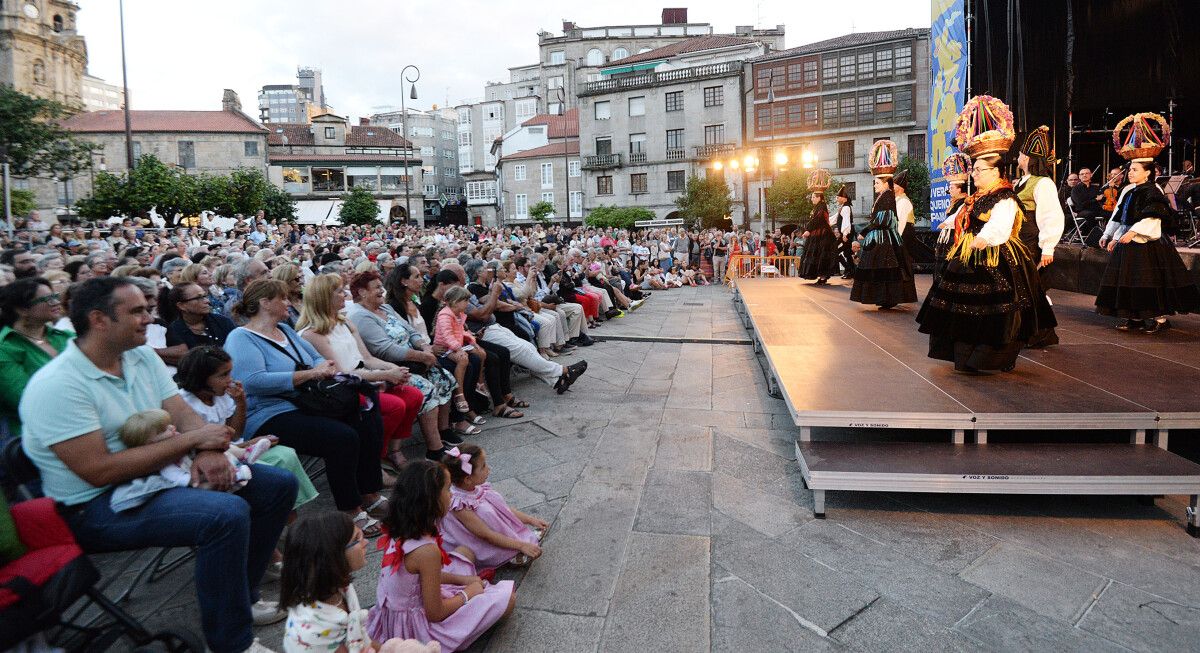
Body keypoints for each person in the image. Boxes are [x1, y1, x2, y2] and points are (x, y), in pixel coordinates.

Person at [19, 276, 297, 651]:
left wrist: (210, 451)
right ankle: (232, 642)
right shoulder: (58, 385)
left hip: (160, 473)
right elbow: (100, 470)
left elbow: (183, 416)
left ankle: (239, 597)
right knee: (224, 515)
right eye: (137, 311)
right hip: (96, 504)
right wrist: (195, 442)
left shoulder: (139, 356)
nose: (149, 319)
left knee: (276, 486)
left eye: (148, 309)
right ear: (99, 319)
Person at [225, 278, 388, 538]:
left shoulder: (286, 330)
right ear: (265, 303)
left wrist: (320, 367)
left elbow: (313, 357)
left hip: (307, 401)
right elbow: (253, 381)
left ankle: (369, 490)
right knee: (341, 437)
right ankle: (350, 508)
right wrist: (308, 375)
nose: (288, 303)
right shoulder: (241, 338)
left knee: (365, 411)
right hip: (271, 412)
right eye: (283, 298)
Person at [917, 95, 1054, 373]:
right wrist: (950, 222)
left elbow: (1002, 224)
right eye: (975, 170)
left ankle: (990, 356)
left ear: (995, 171)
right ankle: (964, 355)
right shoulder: (979, 196)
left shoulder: (1004, 196)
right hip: (971, 251)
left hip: (996, 255)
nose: (975, 175)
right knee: (965, 306)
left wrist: (986, 238)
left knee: (995, 306)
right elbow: (965, 211)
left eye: (979, 170)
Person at [297, 273, 442, 470]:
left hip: (363, 377)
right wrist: (384, 375)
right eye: (339, 291)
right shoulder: (312, 333)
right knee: (395, 406)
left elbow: (366, 358)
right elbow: (341, 373)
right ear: (325, 297)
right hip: (342, 389)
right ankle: (374, 459)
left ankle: (394, 450)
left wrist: (393, 369)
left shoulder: (345, 322)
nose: (345, 294)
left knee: (413, 396)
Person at [367, 460, 516, 651]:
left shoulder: (401, 526)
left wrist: (463, 579)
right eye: (447, 489)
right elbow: (435, 614)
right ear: (431, 499)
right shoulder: (426, 551)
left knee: (464, 552)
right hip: (414, 629)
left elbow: (418, 578)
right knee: (507, 600)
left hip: (395, 614)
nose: (451, 494)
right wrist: (468, 593)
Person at [175, 345, 318, 511]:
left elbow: (235, 434)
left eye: (230, 372)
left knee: (286, 454)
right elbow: (209, 448)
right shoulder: (186, 405)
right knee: (275, 468)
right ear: (201, 378)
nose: (230, 379)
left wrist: (240, 402)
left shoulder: (220, 396)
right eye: (223, 375)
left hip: (232, 448)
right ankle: (279, 512)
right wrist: (250, 443)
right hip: (209, 460)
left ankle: (289, 513)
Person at [1097, 113, 1200, 332]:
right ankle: (1135, 317)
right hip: (1129, 240)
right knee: (1130, 281)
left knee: (1150, 280)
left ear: (1147, 172)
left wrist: (1134, 233)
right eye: (1130, 169)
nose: (1130, 173)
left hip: (1148, 242)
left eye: (1135, 170)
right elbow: (1118, 215)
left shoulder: (1153, 190)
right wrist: (1109, 236)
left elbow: (1153, 217)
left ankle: (1160, 319)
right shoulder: (1127, 189)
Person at [108, 408, 270, 509]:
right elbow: (175, 477)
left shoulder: (179, 440)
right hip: (197, 480)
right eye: (165, 429)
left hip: (201, 465)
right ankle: (236, 475)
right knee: (226, 502)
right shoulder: (166, 463)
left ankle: (245, 454)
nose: (172, 428)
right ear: (151, 442)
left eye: (170, 424)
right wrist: (192, 482)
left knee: (223, 449)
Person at [438, 445, 547, 570]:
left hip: (491, 533)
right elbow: (485, 534)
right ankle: (506, 554)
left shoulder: (476, 488)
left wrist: (530, 520)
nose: (488, 468)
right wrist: (521, 546)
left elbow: (503, 510)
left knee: (488, 512)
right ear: (468, 479)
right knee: (488, 519)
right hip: (478, 542)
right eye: (483, 466)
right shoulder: (459, 505)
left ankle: (515, 542)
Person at [281, 512, 377, 653]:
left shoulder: (341, 586)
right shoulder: (311, 634)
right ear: (332, 556)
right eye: (357, 538)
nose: (366, 542)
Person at [0, 277, 73, 437]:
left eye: (55, 296)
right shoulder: (5, 348)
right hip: (36, 434)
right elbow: (25, 399)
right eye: (47, 299)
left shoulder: (65, 336)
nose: (55, 302)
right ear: (22, 309)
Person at [1013, 126, 1064, 347]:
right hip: (1019, 240)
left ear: (1029, 158)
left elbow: (1051, 215)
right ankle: (1024, 332)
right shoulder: (1021, 182)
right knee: (1022, 287)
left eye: (1022, 154)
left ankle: (1040, 334)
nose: (1018, 157)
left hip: (1032, 241)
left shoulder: (1043, 183)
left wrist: (1048, 247)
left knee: (1033, 288)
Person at [850, 139, 918, 309]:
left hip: (883, 238)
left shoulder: (887, 196)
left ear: (886, 183)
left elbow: (882, 220)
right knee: (883, 268)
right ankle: (884, 297)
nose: (874, 185)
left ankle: (886, 297)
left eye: (877, 183)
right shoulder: (885, 196)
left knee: (883, 267)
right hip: (883, 237)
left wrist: (866, 231)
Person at [165, 282, 238, 349]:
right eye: (199, 298)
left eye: (205, 296)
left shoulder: (223, 322)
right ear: (181, 306)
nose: (207, 301)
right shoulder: (174, 332)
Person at [934, 153, 971, 284]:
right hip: (947, 236)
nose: (949, 190)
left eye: (951, 187)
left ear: (959, 189)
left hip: (954, 236)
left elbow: (958, 216)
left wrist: (945, 223)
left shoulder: (965, 201)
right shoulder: (954, 202)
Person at [798, 170, 839, 284]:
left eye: (813, 197)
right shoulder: (818, 207)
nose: (812, 199)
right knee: (818, 255)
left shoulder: (821, 207)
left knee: (821, 255)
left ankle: (823, 276)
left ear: (819, 197)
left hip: (822, 234)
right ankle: (821, 276)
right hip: (818, 233)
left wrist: (808, 229)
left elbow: (817, 219)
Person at [1071, 167, 1105, 239]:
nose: (1084, 175)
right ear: (1079, 176)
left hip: (1096, 210)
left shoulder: (1095, 188)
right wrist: (1095, 199)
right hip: (1082, 211)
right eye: (1082, 174)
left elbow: (1101, 199)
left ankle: (1107, 237)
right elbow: (1080, 205)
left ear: (1091, 175)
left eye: (1087, 173)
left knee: (1110, 213)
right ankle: (1093, 237)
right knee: (1090, 214)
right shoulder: (1076, 189)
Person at [834, 188, 856, 279]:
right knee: (840, 251)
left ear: (844, 198)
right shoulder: (843, 207)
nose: (837, 199)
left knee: (844, 252)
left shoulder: (846, 207)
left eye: (838, 197)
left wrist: (845, 234)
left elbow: (846, 221)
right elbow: (835, 218)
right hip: (845, 233)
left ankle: (850, 271)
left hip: (847, 233)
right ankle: (849, 270)